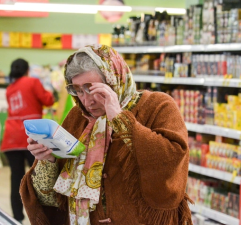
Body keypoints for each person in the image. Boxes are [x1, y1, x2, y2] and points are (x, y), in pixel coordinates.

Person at [20, 45, 193, 225]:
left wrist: (119, 118)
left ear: (114, 80)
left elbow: (172, 159)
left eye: (92, 89)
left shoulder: (157, 106)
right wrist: (48, 160)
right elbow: (51, 199)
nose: (87, 101)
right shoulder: (77, 118)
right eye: (78, 90)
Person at [0, 58, 54, 223]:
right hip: (31, 136)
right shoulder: (33, 82)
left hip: (11, 137)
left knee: (16, 178)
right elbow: (48, 100)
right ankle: (40, 216)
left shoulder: (9, 89)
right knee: (39, 177)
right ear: (27, 69)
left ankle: (17, 218)